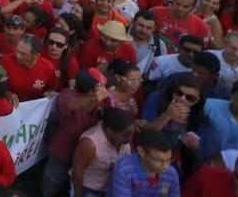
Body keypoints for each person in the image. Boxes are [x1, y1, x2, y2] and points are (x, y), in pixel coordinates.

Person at [42, 69, 109, 197]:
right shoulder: (67, 95)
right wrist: (94, 99)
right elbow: (73, 106)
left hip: (85, 156)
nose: (103, 89)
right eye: (101, 86)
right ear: (92, 91)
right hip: (63, 153)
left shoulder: (102, 98)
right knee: (52, 184)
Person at [71, 107, 135, 197]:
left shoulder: (126, 135)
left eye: (132, 134)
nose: (130, 139)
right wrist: (78, 194)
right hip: (91, 190)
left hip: (112, 188)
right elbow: (77, 171)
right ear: (109, 130)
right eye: (125, 136)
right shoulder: (89, 144)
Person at [108, 128, 181, 197]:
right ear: (141, 151)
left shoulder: (171, 173)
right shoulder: (124, 171)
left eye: (168, 160)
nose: (166, 166)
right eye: (159, 160)